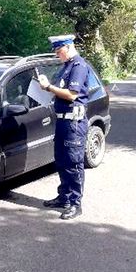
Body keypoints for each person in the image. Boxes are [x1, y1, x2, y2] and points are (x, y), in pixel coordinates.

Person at [38, 34, 90, 220]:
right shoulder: (66, 67)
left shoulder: (79, 66)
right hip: (62, 122)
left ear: (68, 47)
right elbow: (59, 91)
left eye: (59, 51)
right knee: (61, 160)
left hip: (74, 123)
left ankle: (76, 204)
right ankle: (64, 198)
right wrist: (44, 87)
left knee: (74, 163)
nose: (58, 55)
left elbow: (71, 95)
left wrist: (48, 88)